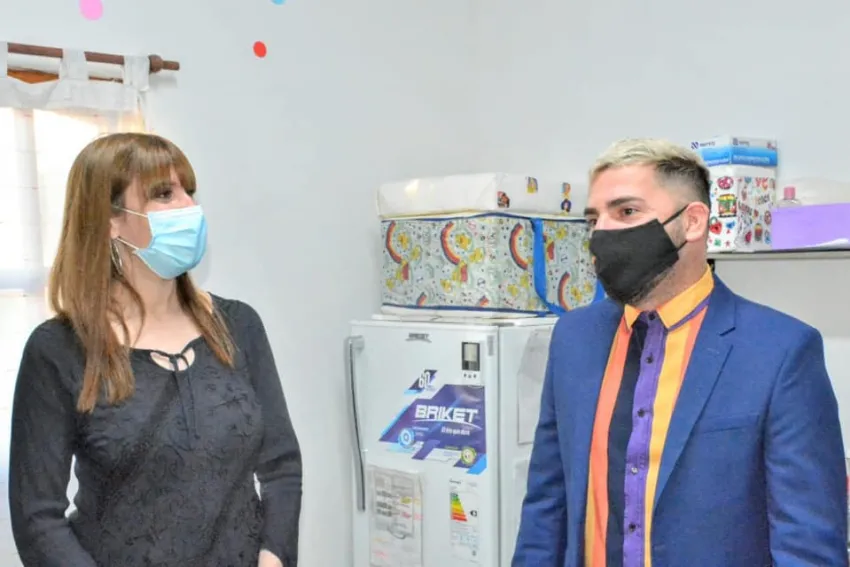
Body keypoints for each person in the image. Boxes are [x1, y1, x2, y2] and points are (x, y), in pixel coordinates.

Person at [512, 138, 847, 567]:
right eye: (593, 219)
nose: (601, 234)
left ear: (692, 221)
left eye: (626, 212)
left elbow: (808, 543)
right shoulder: (574, 339)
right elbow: (547, 504)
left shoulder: (781, 352)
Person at [8, 133, 302, 567]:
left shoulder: (239, 326)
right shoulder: (59, 349)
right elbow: (37, 517)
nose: (189, 206)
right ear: (110, 220)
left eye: (188, 190)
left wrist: (273, 557)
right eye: (164, 194)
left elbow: (281, 466)